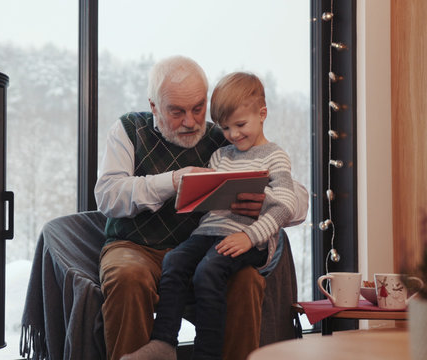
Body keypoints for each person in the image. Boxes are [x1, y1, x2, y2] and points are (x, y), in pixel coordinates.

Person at [94, 56, 308, 360]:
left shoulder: (225, 136)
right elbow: (106, 196)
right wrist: (171, 182)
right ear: (154, 106)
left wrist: (266, 200)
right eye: (177, 112)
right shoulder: (129, 129)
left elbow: (295, 198)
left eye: (198, 108)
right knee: (128, 276)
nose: (191, 121)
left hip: (207, 246)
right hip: (135, 246)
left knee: (246, 279)